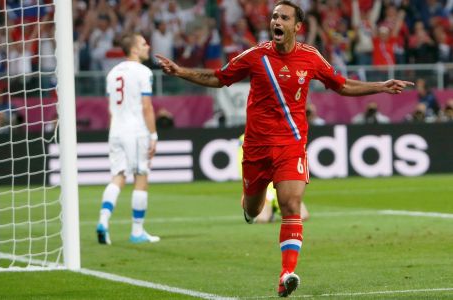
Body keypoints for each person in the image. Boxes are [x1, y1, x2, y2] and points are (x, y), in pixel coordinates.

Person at [156, 1, 414, 297]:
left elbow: (341, 85)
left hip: (291, 144)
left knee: (291, 203)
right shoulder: (255, 56)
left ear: (296, 27)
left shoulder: (311, 57)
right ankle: (249, 205)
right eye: (274, 16)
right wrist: (179, 71)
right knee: (252, 208)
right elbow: (218, 77)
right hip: (255, 147)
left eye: (284, 17)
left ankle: (286, 273)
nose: (276, 21)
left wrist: (380, 86)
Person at [96, 33, 160, 245]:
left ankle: (103, 221)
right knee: (141, 177)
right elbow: (146, 106)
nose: (147, 46)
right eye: (143, 43)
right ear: (134, 49)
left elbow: (111, 107)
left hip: (116, 130)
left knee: (118, 176)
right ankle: (137, 231)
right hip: (136, 131)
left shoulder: (112, 73)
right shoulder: (143, 72)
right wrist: (153, 135)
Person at [238, 134, 310, 223]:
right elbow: (246, 168)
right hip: (264, 185)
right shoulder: (247, 139)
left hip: (279, 183)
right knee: (262, 218)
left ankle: (274, 207)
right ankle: (250, 202)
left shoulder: (284, 136)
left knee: (303, 215)